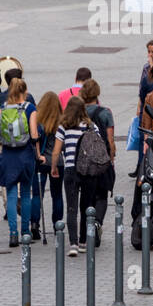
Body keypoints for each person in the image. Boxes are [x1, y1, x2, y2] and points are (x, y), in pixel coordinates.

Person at [50, 96, 99, 256]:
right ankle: (84, 242)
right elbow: (98, 147)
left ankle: (73, 244)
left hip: (71, 170)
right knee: (86, 207)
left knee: (72, 208)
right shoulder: (91, 126)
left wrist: (54, 167)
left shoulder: (63, 126)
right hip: (88, 171)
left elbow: (56, 151)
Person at [79, 79, 116, 235]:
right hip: (102, 161)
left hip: (82, 161)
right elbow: (110, 140)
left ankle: (87, 224)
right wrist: (111, 158)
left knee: (87, 194)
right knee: (102, 195)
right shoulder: (105, 113)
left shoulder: (78, 113)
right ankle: (97, 222)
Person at [34, 92, 63, 239]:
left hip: (41, 160)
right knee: (57, 195)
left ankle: (34, 224)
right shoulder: (62, 121)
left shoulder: (37, 121)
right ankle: (57, 224)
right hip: (57, 162)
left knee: (37, 194)